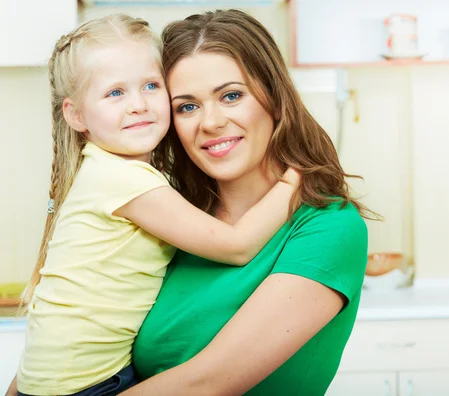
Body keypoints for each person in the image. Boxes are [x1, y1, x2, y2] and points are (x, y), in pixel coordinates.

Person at [7, 14, 299, 396]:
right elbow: (237, 245)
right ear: (76, 115)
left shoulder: (105, 170)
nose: (139, 105)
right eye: (115, 93)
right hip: (86, 386)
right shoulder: (125, 180)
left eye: (150, 86)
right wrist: (296, 178)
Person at [123, 9, 375, 395]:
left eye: (231, 96)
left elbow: (204, 385)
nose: (210, 122)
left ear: (274, 97)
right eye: (187, 106)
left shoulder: (328, 227)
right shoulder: (176, 224)